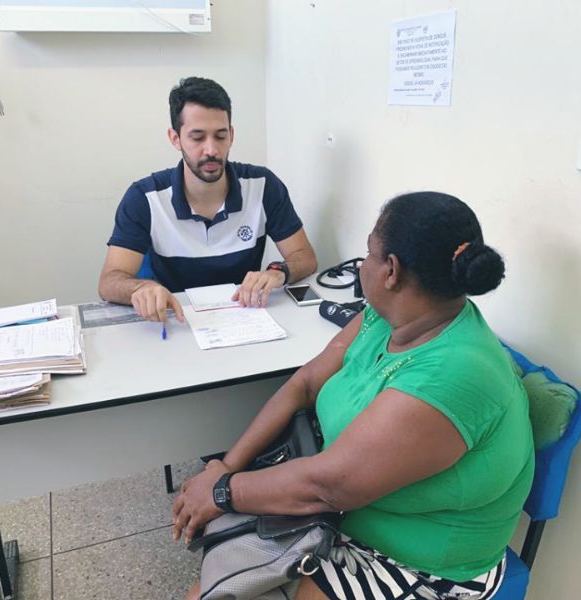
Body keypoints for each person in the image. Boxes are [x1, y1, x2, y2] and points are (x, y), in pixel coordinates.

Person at [173, 191, 535, 600]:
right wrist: (226, 466)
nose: (362, 265)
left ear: (391, 271)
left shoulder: (454, 374)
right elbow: (305, 384)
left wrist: (223, 491)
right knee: (215, 588)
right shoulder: (388, 317)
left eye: (368, 253)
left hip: (420, 562)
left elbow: (329, 486)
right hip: (338, 512)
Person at [98, 77, 317, 323]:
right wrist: (140, 288)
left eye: (220, 136)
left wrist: (279, 272)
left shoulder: (263, 185)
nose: (211, 150)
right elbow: (109, 282)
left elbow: (305, 257)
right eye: (197, 137)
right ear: (175, 138)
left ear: (231, 135)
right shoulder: (144, 198)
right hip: (175, 323)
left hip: (245, 320)